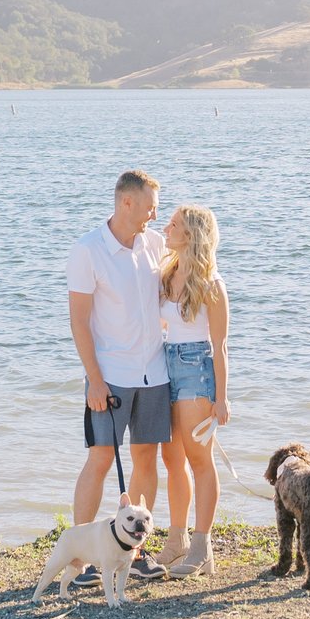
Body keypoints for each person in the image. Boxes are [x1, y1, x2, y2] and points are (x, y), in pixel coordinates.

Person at [66, 168, 170, 582]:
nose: (154, 214)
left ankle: (135, 553)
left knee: (147, 458)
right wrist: (94, 378)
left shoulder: (156, 244)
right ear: (127, 202)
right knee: (101, 459)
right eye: (150, 206)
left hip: (155, 373)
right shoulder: (88, 250)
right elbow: (79, 321)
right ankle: (79, 560)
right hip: (110, 376)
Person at [153, 203, 231, 578]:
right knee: (171, 460)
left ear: (192, 234)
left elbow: (220, 346)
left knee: (199, 460)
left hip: (197, 370)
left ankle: (202, 547)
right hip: (164, 366)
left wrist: (222, 398)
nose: (166, 229)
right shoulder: (167, 274)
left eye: (173, 224)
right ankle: (177, 540)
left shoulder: (212, 283)